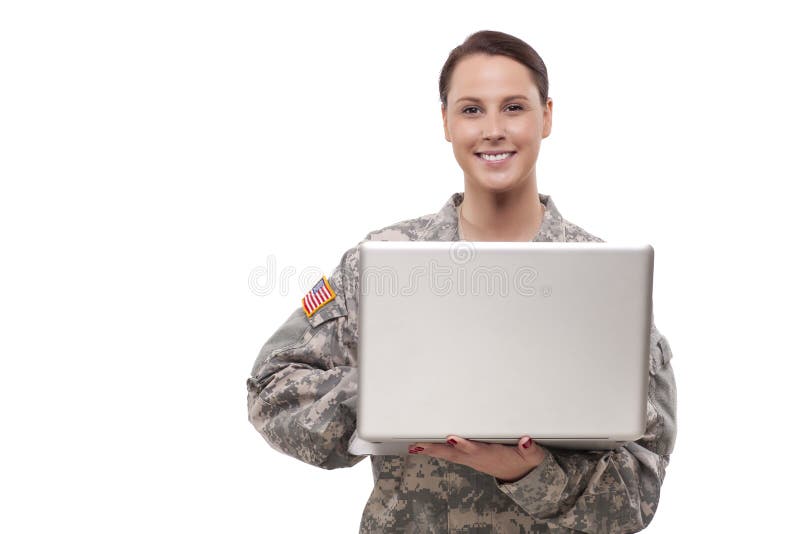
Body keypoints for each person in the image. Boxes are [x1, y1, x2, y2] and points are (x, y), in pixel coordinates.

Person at [246, 30, 677, 533]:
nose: (493, 129)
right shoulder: (383, 262)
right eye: (471, 110)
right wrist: (398, 393)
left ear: (548, 116)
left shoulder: (606, 284)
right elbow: (270, 391)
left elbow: (638, 494)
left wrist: (530, 472)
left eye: (513, 107)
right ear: (446, 123)